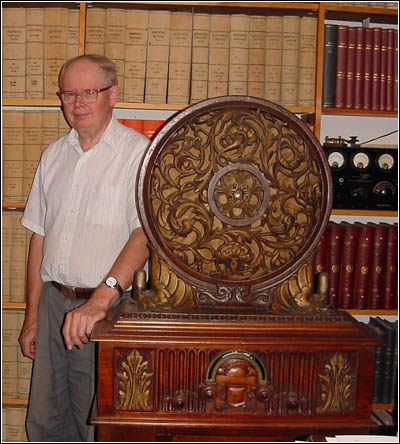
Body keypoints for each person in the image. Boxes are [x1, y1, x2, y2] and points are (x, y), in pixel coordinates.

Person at [18, 54, 150, 442]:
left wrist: (98, 302)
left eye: (89, 92)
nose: (77, 103)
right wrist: (31, 317)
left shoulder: (139, 155)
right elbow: (39, 236)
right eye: (69, 93)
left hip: (109, 310)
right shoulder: (53, 156)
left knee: (97, 424)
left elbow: (143, 237)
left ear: (113, 95)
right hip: (53, 305)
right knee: (45, 422)